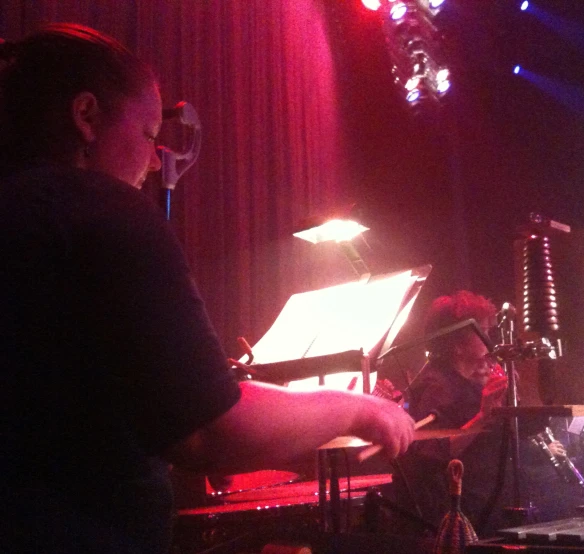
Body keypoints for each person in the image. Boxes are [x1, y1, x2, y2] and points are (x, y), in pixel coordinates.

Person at [0, 24, 414, 553]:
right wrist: (358, 408)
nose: (155, 162)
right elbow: (207, 431)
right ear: (86, 117)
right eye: (150, 135)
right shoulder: (97, 207)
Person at [392, 291, 573, 535]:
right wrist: (484, 415)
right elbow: (429, 454)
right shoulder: (436, 387)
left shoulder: (472, 380)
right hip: (469, 511)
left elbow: (528, 427)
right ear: (457, 345)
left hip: (491, 496)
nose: (491, 340)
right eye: (484, 332)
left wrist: (513, 393)